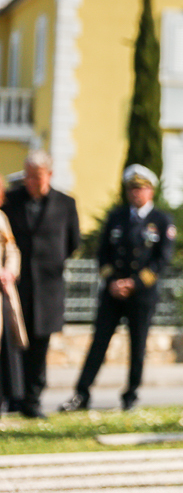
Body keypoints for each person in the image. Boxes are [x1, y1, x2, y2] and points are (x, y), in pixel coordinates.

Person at [59, 165, 175, 413]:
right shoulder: (117, 217)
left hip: (141, 294)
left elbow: (162, 260)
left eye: (140, 188)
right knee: (99, 343)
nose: (135, 193)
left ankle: (131, 394)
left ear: (151, 190)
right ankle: (82, 393)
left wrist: (135, 283)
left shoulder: (161, 220)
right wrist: (112, 281)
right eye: (131, 188)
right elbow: (102, 254)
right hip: (113, 293)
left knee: (137, 346)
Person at [2, 150, 81, 419]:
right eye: (27, 176)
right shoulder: (11, 201)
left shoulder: (66, 203)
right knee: (13, 343)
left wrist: (51, 263)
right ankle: (13, 398)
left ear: (49, 175)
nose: (30, 182)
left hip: (48, 287)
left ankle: (33, 401)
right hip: (16, 286)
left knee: (39, 345)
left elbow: (73, 242)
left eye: (36, 177)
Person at [0, 185, 25, 415]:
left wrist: (9, 270)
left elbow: (12, 248)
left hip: (3, 291)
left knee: (8, 346)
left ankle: (12, 396)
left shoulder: (1, 218)